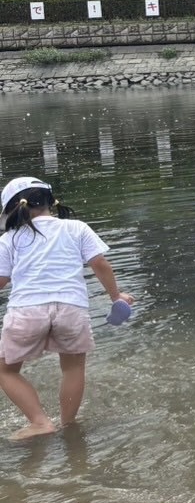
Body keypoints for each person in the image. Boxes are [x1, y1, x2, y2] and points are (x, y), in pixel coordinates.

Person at [0, 176, 131, 440]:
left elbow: (2, 281)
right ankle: (68, 424)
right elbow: (101, 265)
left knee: (5, 370)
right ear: (52, 202)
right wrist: (116, 296)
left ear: (13, 210)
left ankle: (39, 422)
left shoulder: (9, 239)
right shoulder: (76, 228)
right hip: (72, 309)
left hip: (28, 310)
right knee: (72, 368)